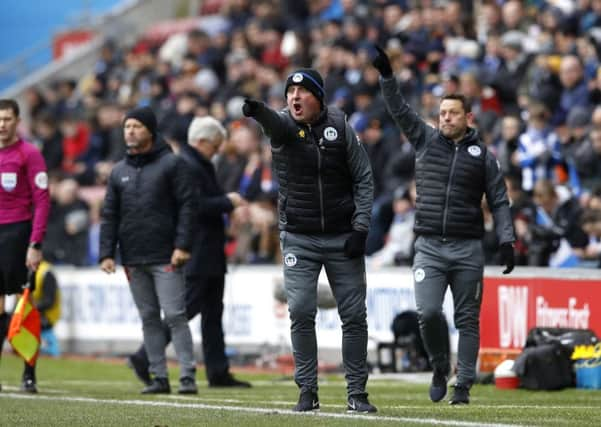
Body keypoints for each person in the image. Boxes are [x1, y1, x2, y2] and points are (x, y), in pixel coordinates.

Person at [372, 47, 516, 405]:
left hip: (468, 248)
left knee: (468, 320)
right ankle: (439, 366)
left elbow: (499, 200)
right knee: (430, 312)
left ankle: (463, 385)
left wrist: (507, 239)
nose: (446, 118)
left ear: (468, 117)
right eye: (442, 113)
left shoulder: (483, 157)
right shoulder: (425, 139)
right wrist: (388, 77)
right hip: (430, 246)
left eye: (453, 113)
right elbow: (398, 109)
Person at [242, 68, 377, 413]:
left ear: (319, 97)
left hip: (343, 235)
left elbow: (363, 178)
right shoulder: (285, 126)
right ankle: (307, 390)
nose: (294, 98)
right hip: (299, 238)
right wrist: (258, 111)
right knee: (301, 310)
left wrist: (361, 229)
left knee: (354, 315)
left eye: (302, 92)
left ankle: (357, 393)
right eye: (290, 93)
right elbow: (274, 123)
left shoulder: (341, 126)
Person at [127, 116, 251, 388]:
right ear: (202, 141)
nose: (218, 150)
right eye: (215, 145)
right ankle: (144, 355)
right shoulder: (188, 165)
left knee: (211, 313)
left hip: (208, 249)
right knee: (185, 310)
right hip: (198, 248)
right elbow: (193, 206)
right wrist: (227, 202)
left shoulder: (195, 163)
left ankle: (218, 372)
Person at [99, 106, 198, 394]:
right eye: (127, 126)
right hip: (133, 256)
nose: (130, 131)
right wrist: (106, 253)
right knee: (149, 318)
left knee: (175, 315)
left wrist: (182, 245)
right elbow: (110, 215)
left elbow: (187, 207)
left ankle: (188, 376)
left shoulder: (172, 165)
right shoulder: (118, 172)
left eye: (136, 126)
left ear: (150, 131)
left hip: (167, 255)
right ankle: (159, 377)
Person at [0, 98, 50, 393]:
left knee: (24, 305)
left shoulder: (29, 154)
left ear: (18, 121)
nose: (1, 124)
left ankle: (29, 373)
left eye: (7, 118)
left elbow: (42, 200)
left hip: (18, 234)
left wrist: (36, 241)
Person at [31, 260, 61, 357]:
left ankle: (49, 350)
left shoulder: (45, 273)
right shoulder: (27, 270)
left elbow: (49, 300)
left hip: (45, 318)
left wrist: (32, 308)